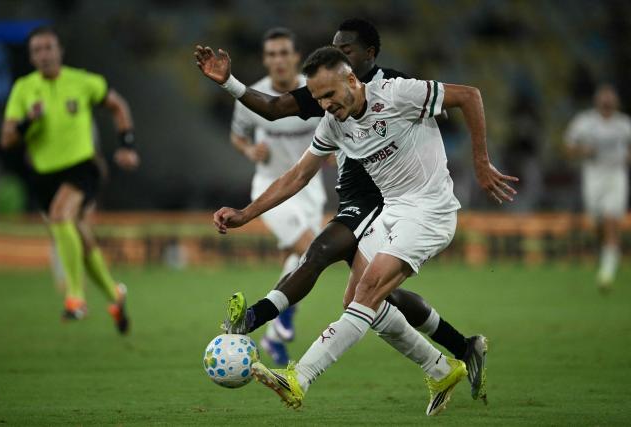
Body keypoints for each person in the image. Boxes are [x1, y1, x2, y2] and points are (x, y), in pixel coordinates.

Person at [211, 47, 518, 415]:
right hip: (391, 212)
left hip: (431, 211)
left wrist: (481, 163)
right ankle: (440, 367)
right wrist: (246, 214)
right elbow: (297, 175)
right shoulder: (334, 123)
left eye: (329, 94)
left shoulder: (398, 94)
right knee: (358, 302)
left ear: (353, 80)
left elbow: (470, 96)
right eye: (318, 97)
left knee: (367, 291)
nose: (324, 104)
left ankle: (299, 378)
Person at [0, 26, 140, 333]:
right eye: (37, 50)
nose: (44, 54)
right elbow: (7, 139)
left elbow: (118, 106)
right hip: (43, 176)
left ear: (60, 50)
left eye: (49, 47)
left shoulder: (83, 81)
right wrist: (27, 122)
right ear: (31, 56)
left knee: (61, 215)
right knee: (76, 230)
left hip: (82, 167)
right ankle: (114, 294)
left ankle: (75, 298)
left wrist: (126, 145)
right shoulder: (24, 89)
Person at [230, 28, 326, 364]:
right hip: (271, 187)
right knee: (311, 249)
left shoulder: (314, 90)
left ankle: (273, 336)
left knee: (297, 258)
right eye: (271, 54)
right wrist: (249, 151)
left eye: (284, 53)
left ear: (296, 56)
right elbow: (237, 136)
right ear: (264, 59)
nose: (278, 60)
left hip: (310, 187)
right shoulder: (252, 96)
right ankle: (282, 320)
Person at [565, 84, 631, 291]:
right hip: (593, 176)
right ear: (597, 102)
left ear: (616, 103)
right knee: (597, 222)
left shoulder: (624, 124)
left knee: (611, 218)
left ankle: (607, 271)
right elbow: (568, 146)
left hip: (616, 175)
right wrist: (582, 150)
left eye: (610, 101)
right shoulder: (585, 122)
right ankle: (609, 252)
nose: (607, 104)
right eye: (604, 101)